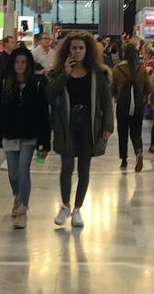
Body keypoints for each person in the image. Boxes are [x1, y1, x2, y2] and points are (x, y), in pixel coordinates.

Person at [47, 31, 114, 228]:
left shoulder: (98, 73)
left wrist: (108, 125)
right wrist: (65, 75)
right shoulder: (59, 71)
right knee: (66, 166)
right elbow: (50, 93)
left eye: (81, 48)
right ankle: (65, 206)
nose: (77, 51)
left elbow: (106, 102)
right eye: (74, 48)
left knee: (84, 168)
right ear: (68, 50)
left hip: (88, 124)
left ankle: (77, 209)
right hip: (66, 124)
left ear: (88, 50)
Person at [0, 46, 51, 229]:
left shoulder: (37, 85)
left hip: (30, 136)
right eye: (17, 61)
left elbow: (43, 115)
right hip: (10, 135)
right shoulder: (3, 85)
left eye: (23, 62)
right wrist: (2, 125)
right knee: (13, 173)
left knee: (23, 171)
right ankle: (18, 196)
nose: (20, 65)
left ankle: (23, 208)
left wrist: (44, 143)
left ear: (29, 64)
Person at [111, 41, 151, 171]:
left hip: (122, 105)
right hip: (138, 105)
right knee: (136, 133)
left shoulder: (117, 69)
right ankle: (138, 152)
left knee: (122, 133)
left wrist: (117, 95)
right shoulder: (141, 69)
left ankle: (124, 160)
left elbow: (111, 90)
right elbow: (148, 88)